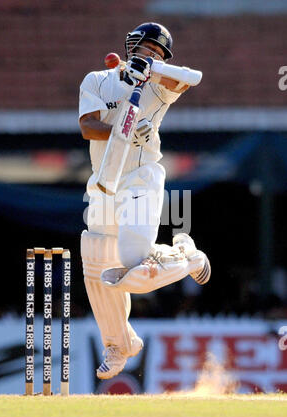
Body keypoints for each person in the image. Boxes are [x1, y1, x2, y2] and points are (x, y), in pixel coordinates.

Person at [79, 22, 211, 380]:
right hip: (104, 179)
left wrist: (153, 69)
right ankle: (120, 343)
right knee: (95, 260)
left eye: (159, 53)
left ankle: (188, 255)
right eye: (148, 50)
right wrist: (123, 125)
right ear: (131, 45)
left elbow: (191, 78)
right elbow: (89, 126)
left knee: (133, 267)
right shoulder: (97, 80)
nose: (153, 56)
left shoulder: (159, 85)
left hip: (141, 177)